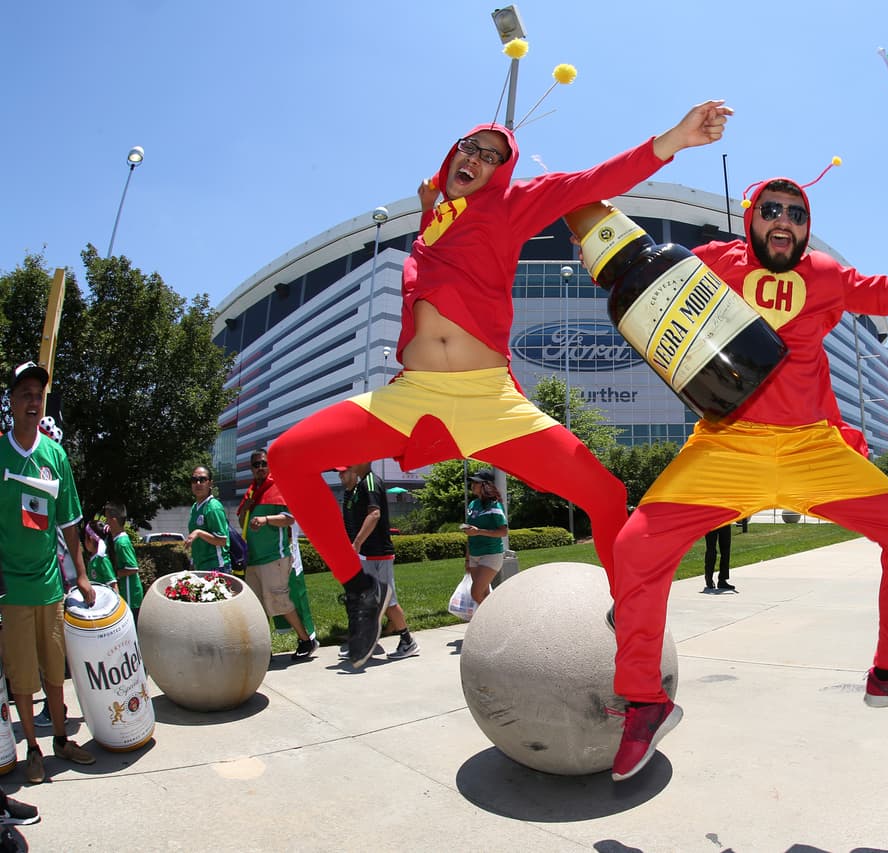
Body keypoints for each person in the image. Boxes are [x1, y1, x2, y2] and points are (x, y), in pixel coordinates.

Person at [269, 101, 732, 669]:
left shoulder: (509, 205)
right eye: (470, 148)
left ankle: (629, 611)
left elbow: (592, 182)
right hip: (414, 396)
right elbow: (443, 253)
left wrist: (674, 139)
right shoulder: (430, 230)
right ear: (451, 155)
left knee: (607, 495)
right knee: (287, 456)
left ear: (502, 172)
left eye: (493, 156)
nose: (478, 159)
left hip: (490, 400)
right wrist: (429, 207)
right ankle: (359, 589)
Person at [606, 178, 888, 781]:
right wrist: (592, 233)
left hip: (812, 449)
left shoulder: (825, 273)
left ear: (806, 227)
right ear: (750, 218)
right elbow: (645, 276)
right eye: (771, 210)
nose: (785, 221)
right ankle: (644, 701)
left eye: (797, 214)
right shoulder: (711, 261)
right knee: (635, 547)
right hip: (728, 447)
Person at [0, 361, 97, 783]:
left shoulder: (54, 455)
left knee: (56, 671)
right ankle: (33, 750)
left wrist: (81, 574)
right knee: (23, 676)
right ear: (10, 401)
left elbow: (70, 522)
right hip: (11, 589)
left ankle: (60, 739)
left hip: (49, 586)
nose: (33, 402)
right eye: (25, 394)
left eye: (39, 396)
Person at [237, 449, 316, 660]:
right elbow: (242, 522)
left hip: (274, 557)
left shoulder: (276, 487)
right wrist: (245, 510)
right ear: (251, 468)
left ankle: (306, 640)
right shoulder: (251, 492)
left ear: (269, 465)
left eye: (264, 463)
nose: (260, 468)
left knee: (280, 601)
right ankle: (264, 649)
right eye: (256, 465)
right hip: (253, 559)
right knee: (257, 607)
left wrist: (266, 520)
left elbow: (289, 519)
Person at [339, 463, 417, 660]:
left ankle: (407, 641)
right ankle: (367, 641)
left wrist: (357, 543)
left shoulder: (371, 482)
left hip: (378, 553)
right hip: (369, 554)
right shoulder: (361, 485)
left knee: (388, 600)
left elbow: (374, 514)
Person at [460, 470, 508, 608]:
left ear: (485, 485)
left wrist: (479, 532)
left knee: (476, 593)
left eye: (476, 482)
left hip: (491, 554)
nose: (472, 485)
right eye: (472, 482)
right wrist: (467, 559)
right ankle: (490, 618)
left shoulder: (494, 505)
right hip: (474, 555)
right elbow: (470, 534)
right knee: (484, 594)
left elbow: (503, 532)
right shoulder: (472, 504)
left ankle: (495, 616)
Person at [104, 503, 143, 622]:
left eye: (107, 519)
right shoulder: (117, 540)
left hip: (130, 594)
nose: (106, 522)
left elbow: (133, 568)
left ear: (114, 521)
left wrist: (114, 575)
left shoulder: (122, 543)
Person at [187, 465, 230, 571]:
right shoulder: (195, 507)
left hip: (216, 566)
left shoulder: (213, 507)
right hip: (200, 566)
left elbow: (222, 540)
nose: (198, 483)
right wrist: (193, 561)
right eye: (194, 480)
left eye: (202, 480)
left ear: (210, 483)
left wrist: (199, 532)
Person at [702, 525, 733, 591]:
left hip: (725, 522)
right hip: (711, 522)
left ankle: (722, 580)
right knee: (711, 551)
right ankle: (709, 578)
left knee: (725, 551)